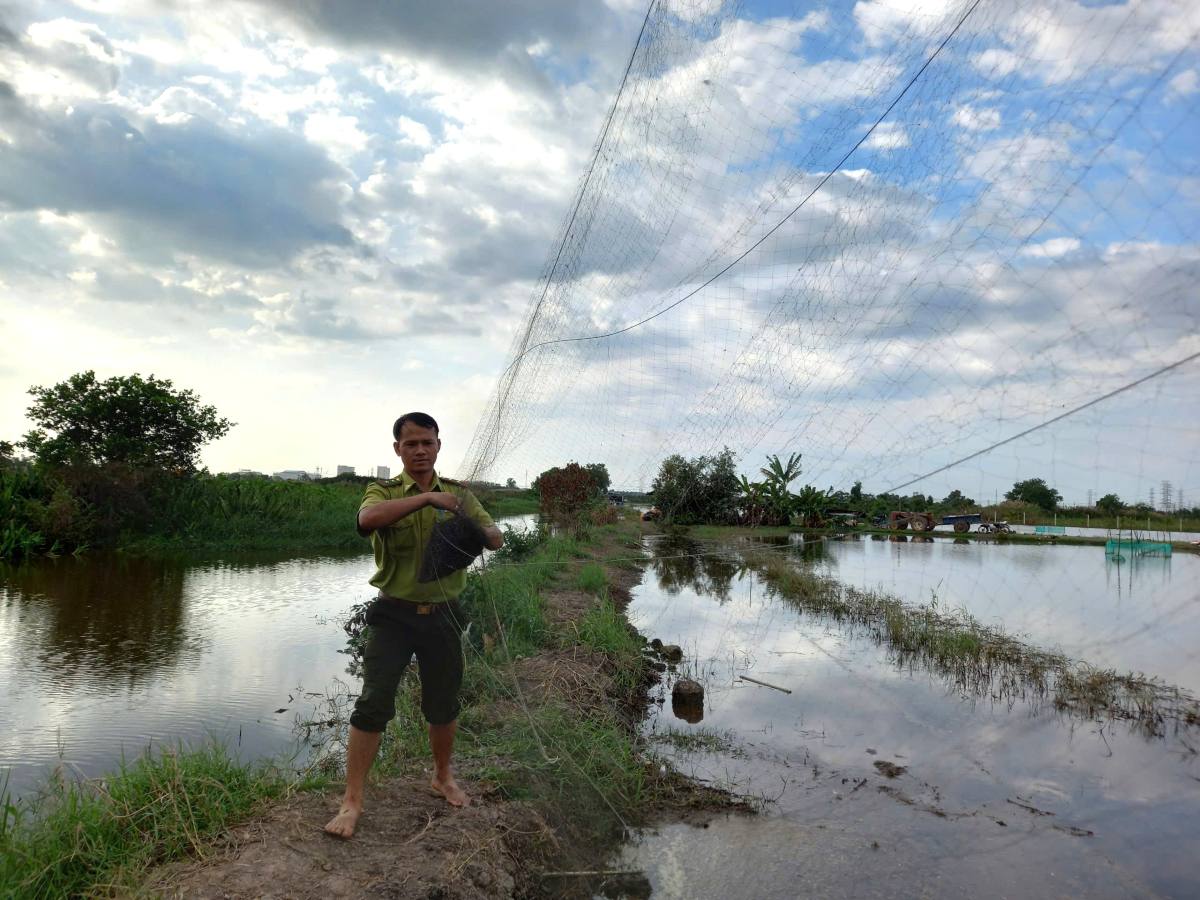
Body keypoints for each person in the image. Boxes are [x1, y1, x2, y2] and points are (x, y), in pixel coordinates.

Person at [324, 411, 503, 839]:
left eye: (427, 442)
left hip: (444, 615)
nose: (420, 450)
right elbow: (367, 520)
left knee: (443, 702)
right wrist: (426, 500)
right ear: (398, 449)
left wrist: (479, 528)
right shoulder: (382, 491)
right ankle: (352, 801)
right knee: (373, 703)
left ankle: (442, 777)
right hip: (394, 615)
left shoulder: (460, 493)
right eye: (411, 444)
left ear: (438, 445)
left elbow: (495, 537)